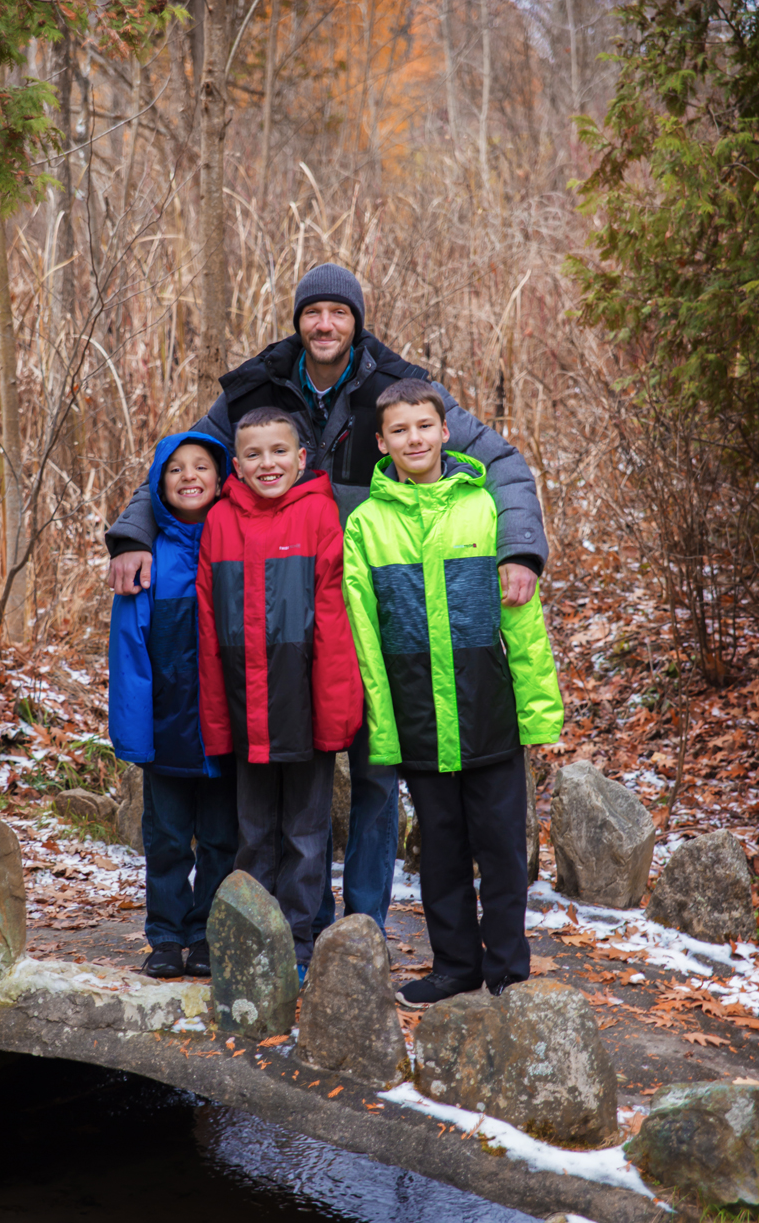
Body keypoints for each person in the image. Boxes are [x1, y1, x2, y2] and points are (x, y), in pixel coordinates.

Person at [105, 263, 548, 939]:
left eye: (339, 313)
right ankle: (286, 931)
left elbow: (505, 465)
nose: (325, 324)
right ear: (298, 321)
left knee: (375, 771)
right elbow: (183, 460)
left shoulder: (398, 389)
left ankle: (360, 931)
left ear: (357, 322)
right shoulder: (257, 388)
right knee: (280, 786)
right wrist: (133, 534)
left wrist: (518, 550)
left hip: (380, 607)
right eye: (313, 312)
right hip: (284, 618)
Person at [342, 379, 563, 1006]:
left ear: (445, 433)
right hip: (417, 717)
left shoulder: (485, 509)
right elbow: (364, 634)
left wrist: (538, 711)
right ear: (381, 442)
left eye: (424, 426)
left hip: (487, 711)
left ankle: (508, 967)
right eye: (399, 430)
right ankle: (455, 966)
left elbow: (522, 622)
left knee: (501, 848)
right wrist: (382, 724)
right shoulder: (366, 525)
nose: (413, 439)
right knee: (440, 851)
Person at [196, 408, 363, 981]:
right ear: (236, 465)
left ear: (301, 458)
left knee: (306, 836)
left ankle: (295, 942)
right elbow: (208, 622)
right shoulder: (220, 520)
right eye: (253, 454)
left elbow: (333, 618)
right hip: (246, 705)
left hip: (303, 703)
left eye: (278, 451)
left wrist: (334, 711)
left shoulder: (319, 512)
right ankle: (251, 936)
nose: (267, 463)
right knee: (253, 833)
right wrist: (217, 714)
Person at [108, 432, 238, 980]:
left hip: (225, 731)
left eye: (201, 466)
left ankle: (208, 934)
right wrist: (135, 735)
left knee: (222, 838)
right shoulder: (146, 557)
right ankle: (165, 935)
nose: (189, 476)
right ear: (159, 484)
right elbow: (129, 651)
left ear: (221, 477)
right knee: (165, 839)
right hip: (167, 730)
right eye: (176, 468)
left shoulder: (234, 542)